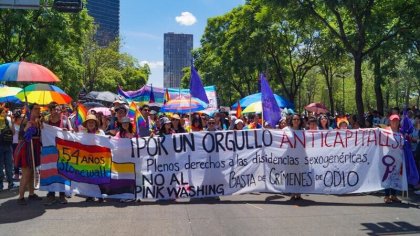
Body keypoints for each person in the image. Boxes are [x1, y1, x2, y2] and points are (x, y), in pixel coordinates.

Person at [14, 103, 43, 205]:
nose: (38, 110)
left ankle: (31, 193)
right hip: (27, 148)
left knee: (32, 172)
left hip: (35, 148)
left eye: (39, 109)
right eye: (36, 109)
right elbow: (21, 135)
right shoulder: (26, 120)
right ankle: (20, 197)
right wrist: (27, 128)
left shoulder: (38, 121)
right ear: (31, 110)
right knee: (26, 173)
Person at [44, 102, 67, 205]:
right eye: (55, 109)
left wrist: (67, 131)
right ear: (51, 111)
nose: (57, 111)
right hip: (50, 151)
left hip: (62, 151)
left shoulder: (65, 121)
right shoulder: (46, 122)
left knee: (62, 172)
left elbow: (72, 132)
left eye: (58, 109)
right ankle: (51, 194)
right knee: (51, 172)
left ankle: (62, 194)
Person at [81, 114, 105, 202]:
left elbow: (105, 143)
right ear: (86, 124)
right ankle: (90, 195)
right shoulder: (83, 133)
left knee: (99, 177)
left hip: (98, 158)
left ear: (95, 123)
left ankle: (100, 195)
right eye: (89, 122)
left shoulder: (101, 133)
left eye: (92, 122)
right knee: (89, 177)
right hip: (88, 159)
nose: (91, 124)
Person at [383, 114, 402, 203]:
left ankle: (393, 195)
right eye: (393, 120)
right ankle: (386, 196)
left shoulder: (401, 133)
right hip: (388, 159)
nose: (395, 122)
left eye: (397, 120)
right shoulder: (385, 132)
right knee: (387, 177)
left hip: (398, 159)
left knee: (395, 177)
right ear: (390, 121)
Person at [285, 114, 304, 200]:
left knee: (299, 174)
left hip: (300, 156)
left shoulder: (303, 131)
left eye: (298, 119)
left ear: (300, 121)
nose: (296, 121)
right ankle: (292, 192)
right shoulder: (286, 130)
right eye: (294, 119)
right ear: (291, 121)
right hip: (289, 156)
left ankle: (298, 193)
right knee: (290, 174)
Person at [0, 107, 15, 191]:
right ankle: (0, 185)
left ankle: (11, 183)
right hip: (1, 146)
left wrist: (12, 124)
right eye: (3, 112)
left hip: (8, 146)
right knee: (0, 166)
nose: (5, 114)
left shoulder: (8, 120)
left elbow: (13, 133)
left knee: (9, 166)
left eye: (5, 112)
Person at [11, 110, 24, 180]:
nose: (21, 119)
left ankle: (23, 173)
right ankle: (16, 173)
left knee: (22, 159)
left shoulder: (22, 125)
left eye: (21, 118)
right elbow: (12, 133)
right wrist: (12, 124)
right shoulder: (13, 125)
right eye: (19, 118)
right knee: (16, 159)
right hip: (14, 143)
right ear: (16, 119)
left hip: (21, 143)